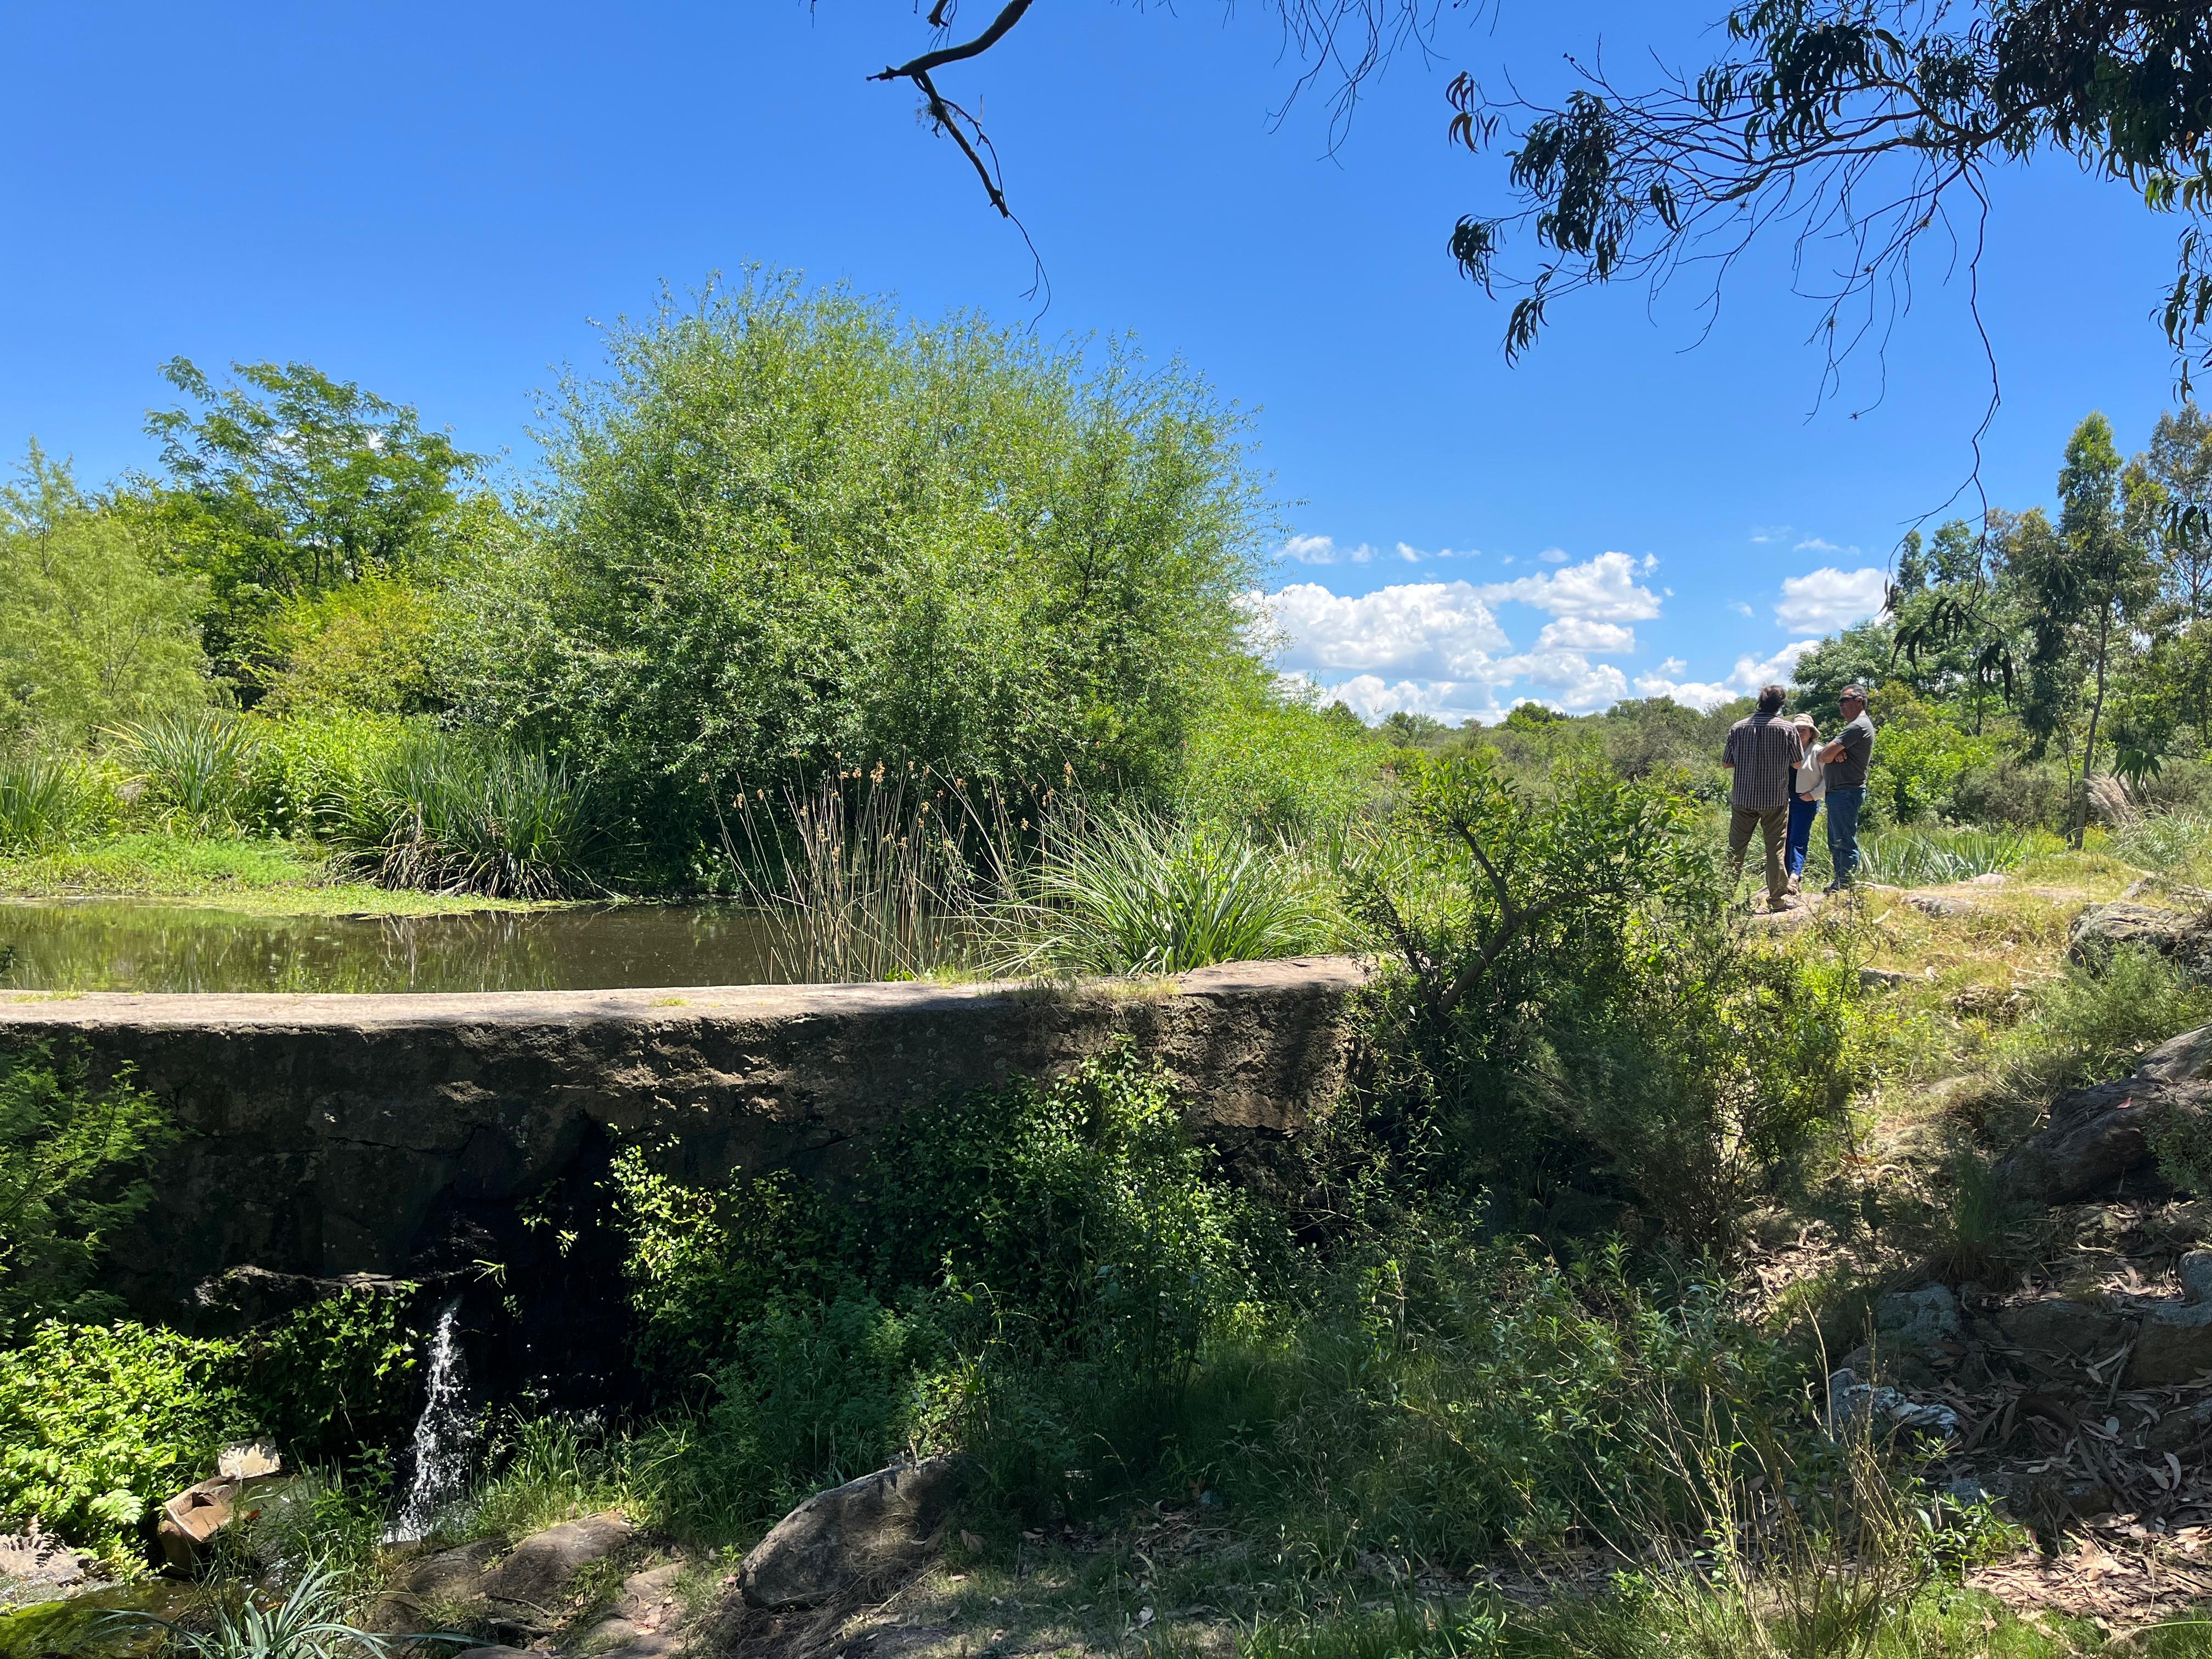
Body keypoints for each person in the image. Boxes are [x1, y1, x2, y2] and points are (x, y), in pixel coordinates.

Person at [1721, 682, 1804, 911]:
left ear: (1760, 701)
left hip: (1743, 799)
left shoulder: (1738, 728)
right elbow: (1798, 763)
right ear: (1781, 705)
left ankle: (1722, 898)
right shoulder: (1788, 729)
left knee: (1736, 849)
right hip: (1775, 800)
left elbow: (1727, 763)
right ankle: (1777, 901)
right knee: (1775, 849)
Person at [1818, 685, 1876, 890]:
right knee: (1836, 840)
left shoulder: (1857, 727)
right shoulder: (1855, 727)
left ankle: (1846, 885)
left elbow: (1823, 756)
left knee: (1843, 840)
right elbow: (1826, 754)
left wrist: (1831, 753)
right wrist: (1833, 752)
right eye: (1840, 702)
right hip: (1840, 792)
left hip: (1846, 791)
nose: (1841, 705)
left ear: (1860, 701)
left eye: (1845, 700)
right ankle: (1841, 882)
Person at [1785, 713, 1824, 895]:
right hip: (1784, 801)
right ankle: (1784, 879)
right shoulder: (1786, 750)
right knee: (1783, 841)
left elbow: (1829, 780)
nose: (1800, 733)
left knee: (1797, 839)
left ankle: (1795, 876)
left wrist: (1814, 795)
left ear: (1811, 733)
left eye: (1804, 730)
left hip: (1805, 802)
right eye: (1797, 730)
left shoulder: (1818, 752)